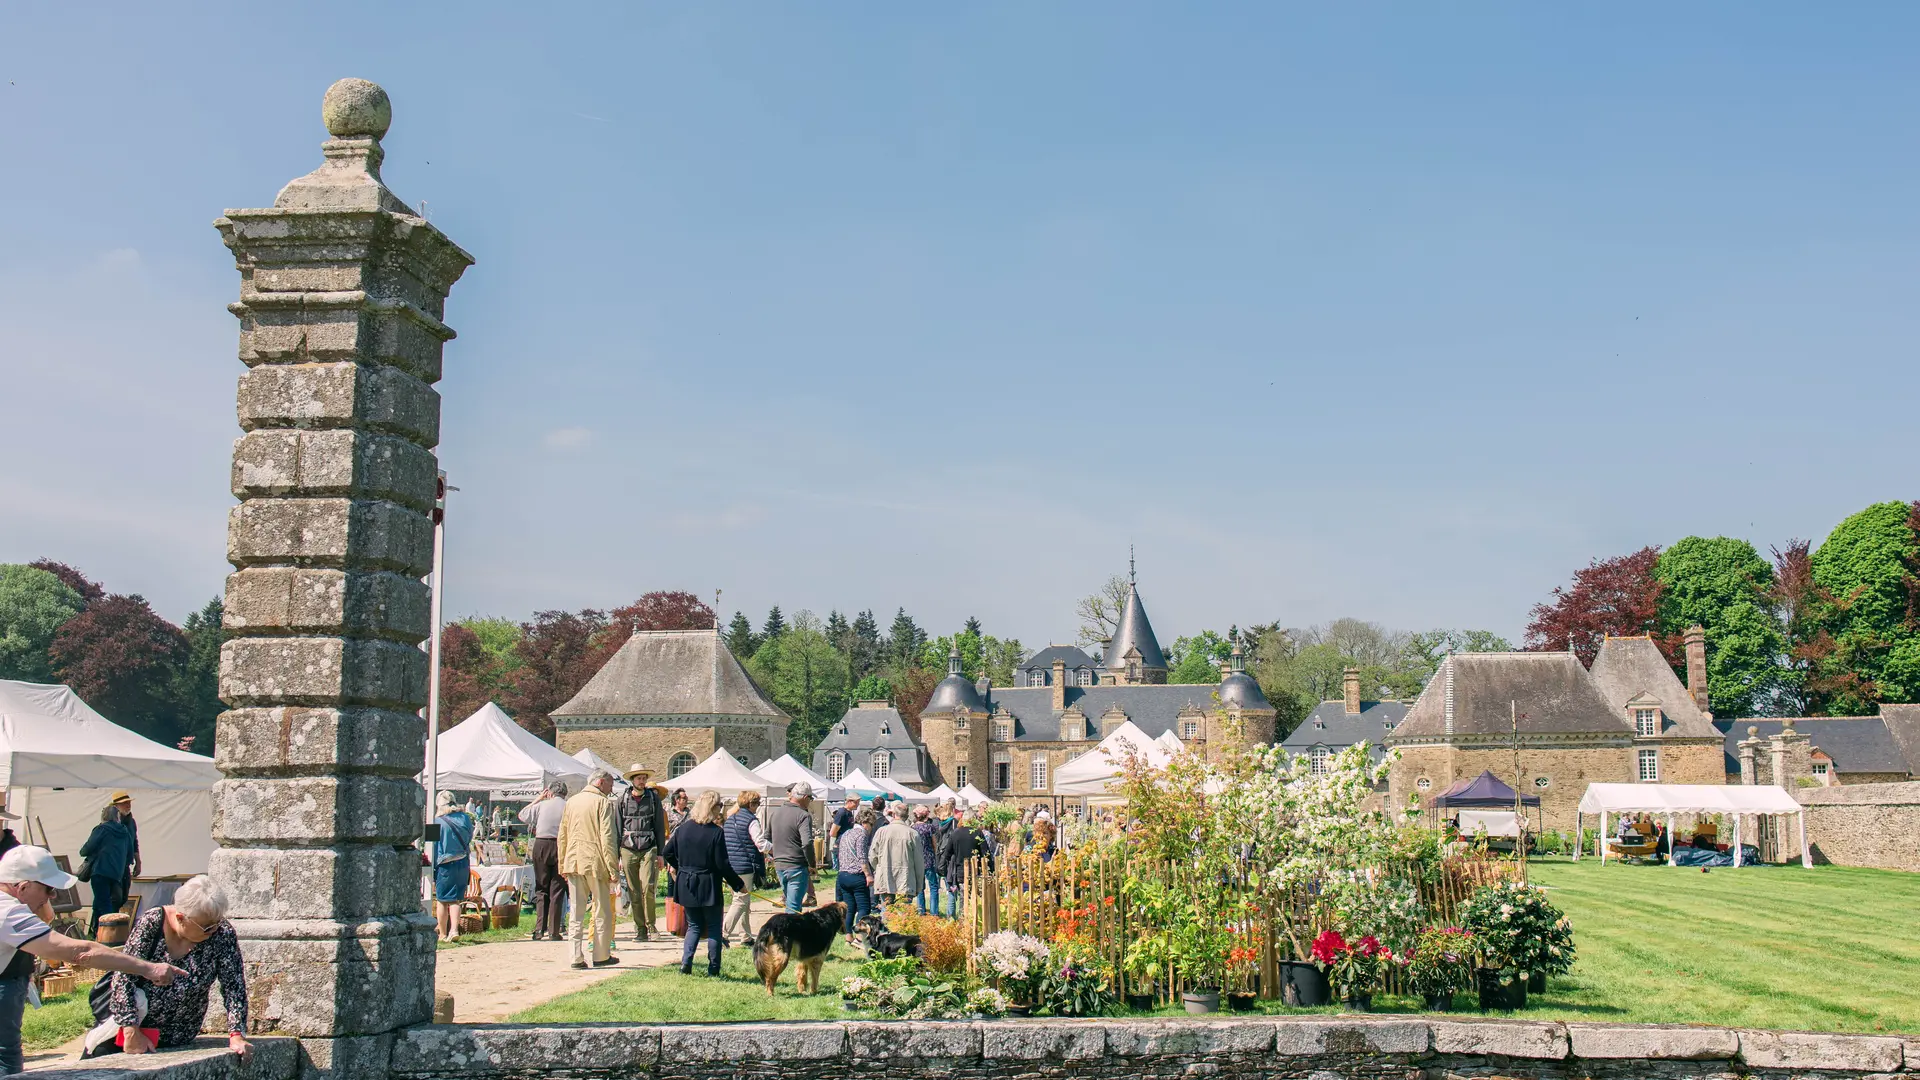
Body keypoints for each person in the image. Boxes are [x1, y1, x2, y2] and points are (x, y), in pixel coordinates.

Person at [0, 846, 185, 1075]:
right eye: (48, 889)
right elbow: (81, 951)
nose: (53, 896)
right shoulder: (8, 913)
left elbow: (45, 917)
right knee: (5, 1061)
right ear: (23, 886)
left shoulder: (9, 904)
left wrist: (36, 898)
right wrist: (147, 968)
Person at [82, 875, 251, 1063]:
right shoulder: (152, 923)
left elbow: (233, 986)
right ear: (181, 918)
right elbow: (123, 976)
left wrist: (237, 1033)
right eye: (206, 927)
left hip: (178, 1034)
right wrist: (131, 1030)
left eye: (217, 923)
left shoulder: (222, 933)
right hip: (129, 1028)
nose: (214, 930)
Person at [662, 791, 744, 976]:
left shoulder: (683, 830)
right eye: (719, 807)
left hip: (687, 882)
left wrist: (681, 867)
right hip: (709, 884)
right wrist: (738, 884)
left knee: (694, 925)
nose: (720, 810)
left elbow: (667, 852)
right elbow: (722, 864)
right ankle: (714, 967)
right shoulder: (716, 833)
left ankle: (686, 963)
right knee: (714, 926)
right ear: (712, 808)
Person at [557, 770, 619, 970]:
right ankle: (601, 955)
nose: (611, 790)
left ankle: (575, 957)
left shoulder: (572, 802)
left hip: (573, 861)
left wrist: (562, 863)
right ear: (601, 782)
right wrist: (613, 868)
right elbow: (607, 838)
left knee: (576, 911)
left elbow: (563, 835)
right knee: (602, 910)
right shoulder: (603, 803)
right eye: (609, 785)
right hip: (595, 862)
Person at [615, 766, 668, 942]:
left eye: (644, 778)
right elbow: (616, 827)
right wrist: (617, 856)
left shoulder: (653, 798)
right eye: (639, 778)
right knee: (633, 891)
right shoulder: (622, 799)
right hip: (627, 848)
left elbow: (660, 827)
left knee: (648, 888)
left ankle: (651, 925)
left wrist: (661, 854)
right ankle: (640, 928)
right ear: (632, 780)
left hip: (648, 847)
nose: (642, 781)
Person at [516, 782, 569, 941]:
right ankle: (554, 931)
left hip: (541, 845)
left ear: (550, 792)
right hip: (560, 844)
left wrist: (538, 799)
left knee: (541, 887)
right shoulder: (568, 806)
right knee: (557, 889)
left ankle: (539, 929)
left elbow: (522, 815)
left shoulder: (542, 805)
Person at [721, 790, 771, 944]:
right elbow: (760, 843)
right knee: (741, 900)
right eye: (757, 803)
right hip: (745, 867)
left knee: (744, 901)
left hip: (730, 866)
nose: (757, 806)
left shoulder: (729, 820)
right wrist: (773, 848)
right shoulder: (752, 821)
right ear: (751, 804)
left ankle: (746, 936)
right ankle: (723, 933)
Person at [79, 804, 136, 937]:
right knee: (103, 901)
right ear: (117, 817)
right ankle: (97, 931)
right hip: (117, 873)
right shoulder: (124, 831)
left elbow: (87, 849)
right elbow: (130, 853)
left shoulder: (102, 829)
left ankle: (109, 934)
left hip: (100, 871)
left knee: (103, 902)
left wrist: (83, 851)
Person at [764, 783, 817, 914]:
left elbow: (767, 837)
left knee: (790, 902)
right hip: (796, 865)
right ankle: (789, 933)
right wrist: (812, 864)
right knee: (793, 908)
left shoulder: (776, 813)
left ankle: (791, 932)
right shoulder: (803, 815)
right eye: (810, 798)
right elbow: (807, 843)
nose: (810, 802)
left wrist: (776, 853)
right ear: (805, 797)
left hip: (780, 865)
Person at [430, 792, 475, 942]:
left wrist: (431, 866)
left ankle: (443, 933)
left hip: (444, 864)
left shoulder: (435, 821)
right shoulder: (465, 818)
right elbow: (470, 837)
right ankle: (454, 930)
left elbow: (432, 846)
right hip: (463, 861)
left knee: (443, 900)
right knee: (455, 899)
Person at [866, 803, 923, 911]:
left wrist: (879, 868)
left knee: (886, 912)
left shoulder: (881, 831)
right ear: (906, 816)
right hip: (906, 877)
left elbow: (872, 856)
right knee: (904, 916)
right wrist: (919, 884)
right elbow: (919, 862)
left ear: (893, 815)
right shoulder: (912, 834)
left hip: (885, 875)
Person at [938, 808, 993, 918]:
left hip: (960, 870)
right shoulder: (977, 833)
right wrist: (991, 869)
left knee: (964, 896)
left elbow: (947, 853)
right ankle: (973, 919)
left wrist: (943, 867)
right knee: (975, 896)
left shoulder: (955, 833)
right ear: (973, 820)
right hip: (975, 870)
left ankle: (964, 919)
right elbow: (985, 853)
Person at [835, 806, 877, 948]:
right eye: (872, 825)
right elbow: (862, 857)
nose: (871, 828)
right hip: (856, 876)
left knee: (850, 908)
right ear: (867, 822)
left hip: (843, 875)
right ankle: (860, 938)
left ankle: (849, 938)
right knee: (864, 907)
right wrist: (868, 875)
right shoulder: (862, 835)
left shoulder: (846, 833)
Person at [910, 805, 941, 918]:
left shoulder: (912, 828)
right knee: (933, 886)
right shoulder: (929, 828)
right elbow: (934, 844)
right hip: (929, 859)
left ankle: (921, 910)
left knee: (920, 887)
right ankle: (934, 912)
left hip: (917, 860)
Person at [109, 793, 142, 880]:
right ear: (116, 806)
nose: (128, 805)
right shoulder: (110, 823)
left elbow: (134, 842)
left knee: (124, 891)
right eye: (124, 803)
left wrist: (138, 861)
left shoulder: (131, 822)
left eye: (129, 803)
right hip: (112, 865)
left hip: (126, 864)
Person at [828, 796, 857, 871]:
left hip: (847, 845)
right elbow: (832, 833)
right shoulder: (841, 813)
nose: (858, 804)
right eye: (856, 802)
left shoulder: (849, 813)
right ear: (849, 801)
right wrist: (841, 839)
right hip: (841, 845)